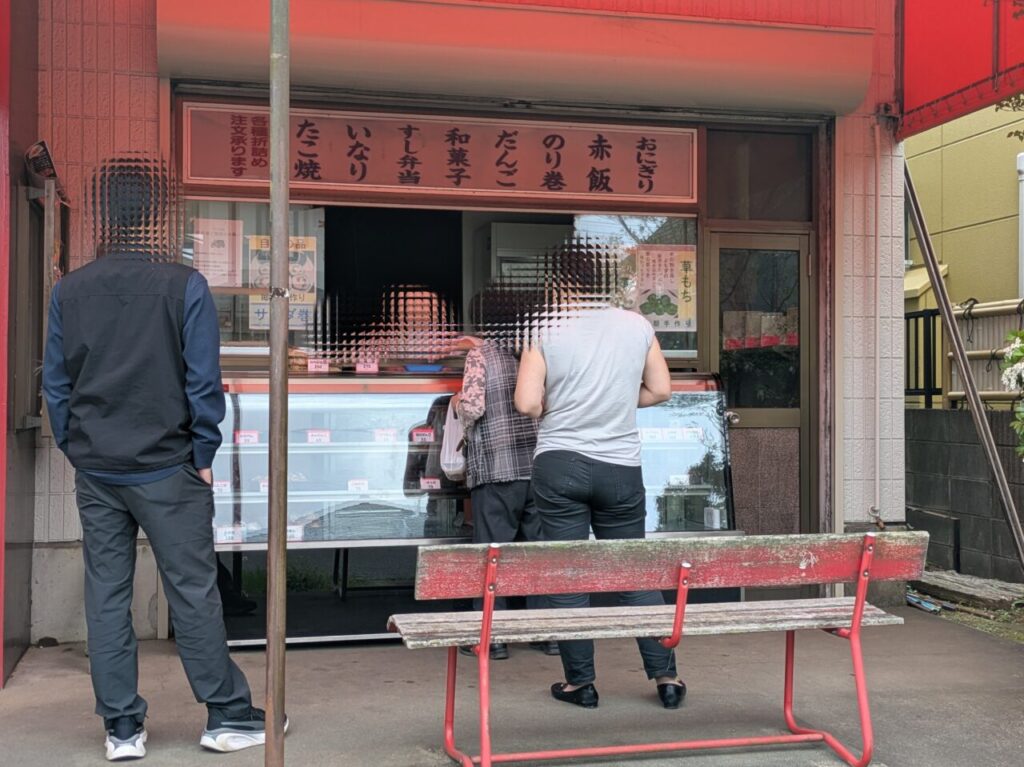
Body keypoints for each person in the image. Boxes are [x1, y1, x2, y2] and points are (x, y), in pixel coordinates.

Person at [42, 157, 282, 761]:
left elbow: (56, 385)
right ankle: (226, 715)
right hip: (170, 466)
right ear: (155, 212)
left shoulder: (69, 290)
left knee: (106, 595)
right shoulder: (185, 285)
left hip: (99, 468)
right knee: (192, 590)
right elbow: (203, 382)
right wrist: (203, 451)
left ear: (103, 213)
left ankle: (122, 728)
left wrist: (76, 447)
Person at [513, 264, 686, 710]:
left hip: (560, 463)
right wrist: (615, 400)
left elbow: (527, 402)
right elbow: (661, 390)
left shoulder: (542, 329)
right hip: (621, 467)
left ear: (560, 284)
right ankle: (666, 677)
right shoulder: (637, 325)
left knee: (569, 576)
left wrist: (561, 404)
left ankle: (581, 684)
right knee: (635, 574)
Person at [453, 333, 557, 660]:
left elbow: (473, 407)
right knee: (538, 552)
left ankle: (492, 637)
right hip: (540, 467)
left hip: (497, 468)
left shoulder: (482, 355)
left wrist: (456, 403)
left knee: (492, 552)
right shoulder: (542, 349)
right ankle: (546, 634)